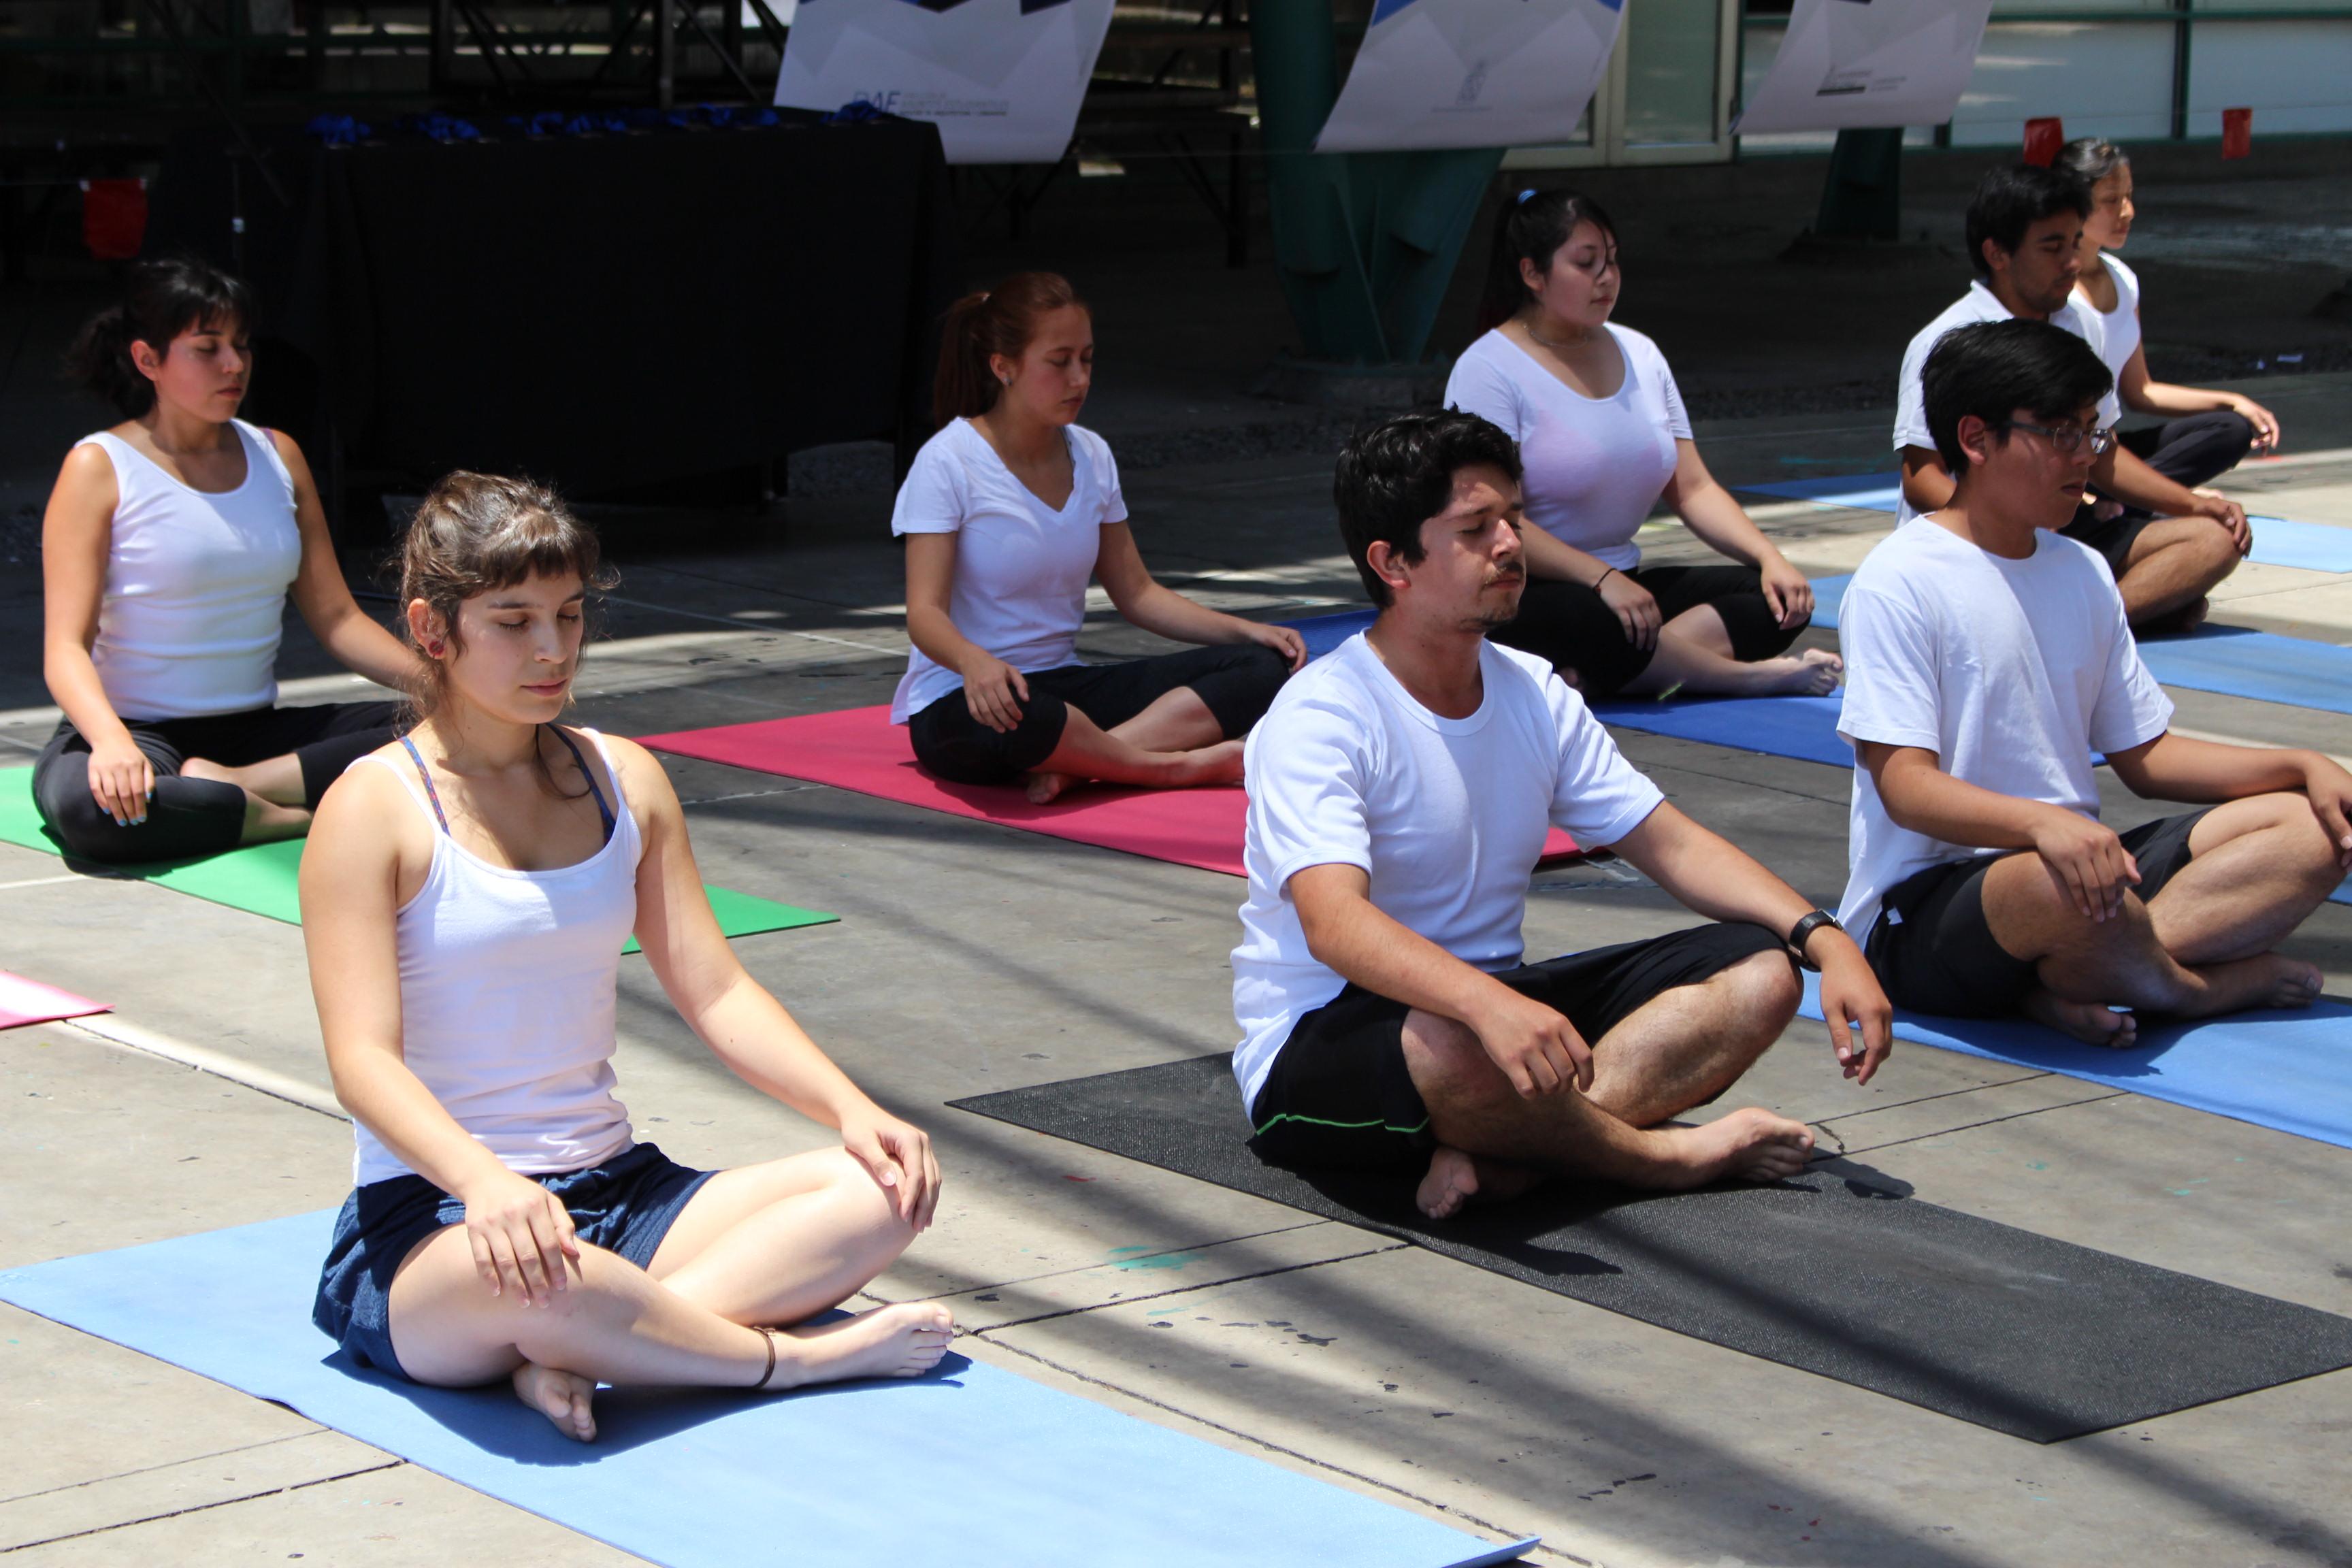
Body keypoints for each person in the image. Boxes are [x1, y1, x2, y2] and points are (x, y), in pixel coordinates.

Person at [305, 473, 953, 1443]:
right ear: (433, 632)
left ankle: (588, 1348)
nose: (553, 648)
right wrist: (486, 1183)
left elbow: (715, 985)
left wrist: (853, 1110)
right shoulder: (371, 807)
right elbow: (362, 1059)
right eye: (513, 621)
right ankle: (789, 1362)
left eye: (569, 616)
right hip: (439, 1222)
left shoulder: (625, 779)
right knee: (530, 1276)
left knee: (886, 1191)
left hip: (624, 1193)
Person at [1232, 410, 1895, 1222]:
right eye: (1476, 528)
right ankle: (1659, 1158)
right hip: (1328, 1044)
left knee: (1760, 972)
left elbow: (1668, 841)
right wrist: (1483, 1004)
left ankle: (1519, 1156)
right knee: (1446, 1042)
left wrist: (1823, 937)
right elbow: (1335, 924)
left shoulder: (1532, 689)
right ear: (1392, 562)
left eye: (1514, 518)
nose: (1510, 543)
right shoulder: (1323, 714)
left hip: (1497, 1013)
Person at [1841, 319, 2348, 1047]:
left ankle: (2074, 979)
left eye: (2092, 433)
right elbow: (1907, 789)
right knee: (2056, 888)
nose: (2085, 457)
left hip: (2085, 870)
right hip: (1934, 903)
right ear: (1976, 439)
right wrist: (2040, 824)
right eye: (2061, 435)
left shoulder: (2081, 571)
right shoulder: (1899, 581)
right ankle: (2186, 989)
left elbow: (2147, 755)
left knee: (2318, 822)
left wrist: (2303, 765)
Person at [35, 257, 418, 862]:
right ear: (148, 361)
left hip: (257, 739)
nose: (234, 364)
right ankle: (292, 818)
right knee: (93, 811)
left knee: (445, 727)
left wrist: (445, 689)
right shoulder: (98, 467)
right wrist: (109, 741)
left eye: (241, 346)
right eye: (207, 348)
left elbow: (338, 619)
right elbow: (65, 646)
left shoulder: (277, 454)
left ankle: (244, 789)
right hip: (137, 730)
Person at [895, 272, 1304, 804]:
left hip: (1064, 692)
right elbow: (924, 613)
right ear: (1004, 367)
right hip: (967, 700)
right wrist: (975, 662)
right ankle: (1168, 767)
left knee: (1260, 667)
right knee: (1032, 720)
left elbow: (1137, 593)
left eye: (1086, 359)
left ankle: (1085, 764)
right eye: (1059, 361)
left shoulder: (1091, 454)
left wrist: (1247, 631)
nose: (1079, 379)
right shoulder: (946, 461)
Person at [1444, 190, 1840, 700]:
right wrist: (1600, 578)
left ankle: (1608, 673)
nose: (1606, 277)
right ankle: (1747, 677)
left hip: (1625, 586)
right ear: (1532, 274)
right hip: (1528, 589)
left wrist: (1769, 557)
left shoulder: (1641, 351)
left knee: (1776, 600)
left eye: (1612, 261)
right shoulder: (1488, 369)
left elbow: (1693, 487)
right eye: (1586, 264)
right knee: (1586, 617)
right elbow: (1495, 518)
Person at [1894, 165, 2249, 634]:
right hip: (1981, 536)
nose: (2072, 262)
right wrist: (2019, 529)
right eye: (2052, 247)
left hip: (2063, 525)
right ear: (1997, 252)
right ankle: (2098, 611)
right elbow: (1922, 479)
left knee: (2213, 539)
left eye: (2075, 242)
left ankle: (2083, 622)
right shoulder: (1946, 340)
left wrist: (2193, 505)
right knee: (2163, 593)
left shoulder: (2080, 324)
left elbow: (2103, 453)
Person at [2059, 137, 2278, 489]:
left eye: (2129, 196)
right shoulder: (2052, 291)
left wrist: (2231, 401)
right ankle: (2129, 500)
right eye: (2111, 200)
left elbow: (2141, 391)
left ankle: (2130, 499)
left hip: (2106, 450)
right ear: (2072, 206)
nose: (2127, 211)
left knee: (2229, 429)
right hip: (2060, 454)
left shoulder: (2123, 280)